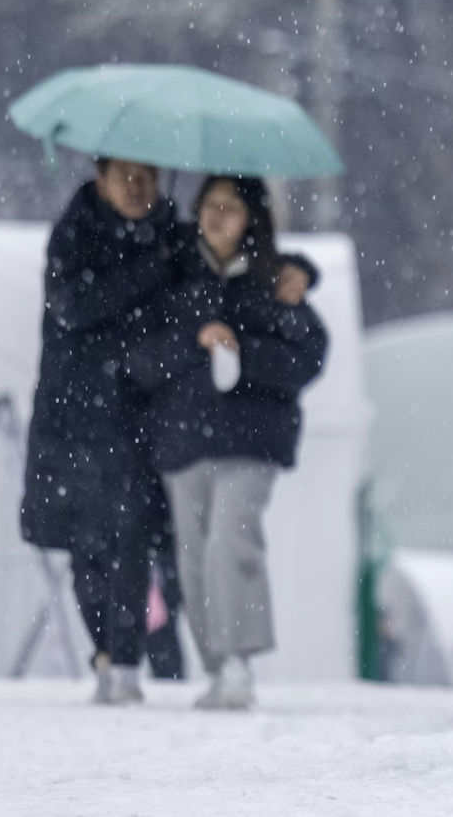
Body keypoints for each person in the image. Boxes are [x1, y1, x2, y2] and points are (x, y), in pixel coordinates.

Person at [139, 174, 328, 710]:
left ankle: (240, 658)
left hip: (251, 441)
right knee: (193, 556)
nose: (218, 217)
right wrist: (194, 343)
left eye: (232, 208)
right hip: (182, 439)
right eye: (210, 206)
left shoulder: (277, 283)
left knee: (230, 539)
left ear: (252, 220)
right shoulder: (171, 274)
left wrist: (242, 355)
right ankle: (218, 664)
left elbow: (309, 357)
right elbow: (143, 357)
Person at [22, 155, 183, 704]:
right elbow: (73, 305)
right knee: (87, 549)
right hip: (75, 419)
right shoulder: (74, 235)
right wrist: (150, 269)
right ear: (101, 180)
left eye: (148, 177)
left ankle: (130, 659)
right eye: (127, 177)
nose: (139, 188)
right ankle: (107, 654)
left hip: (142, 417)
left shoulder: (173, 239)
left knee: (135, 541)